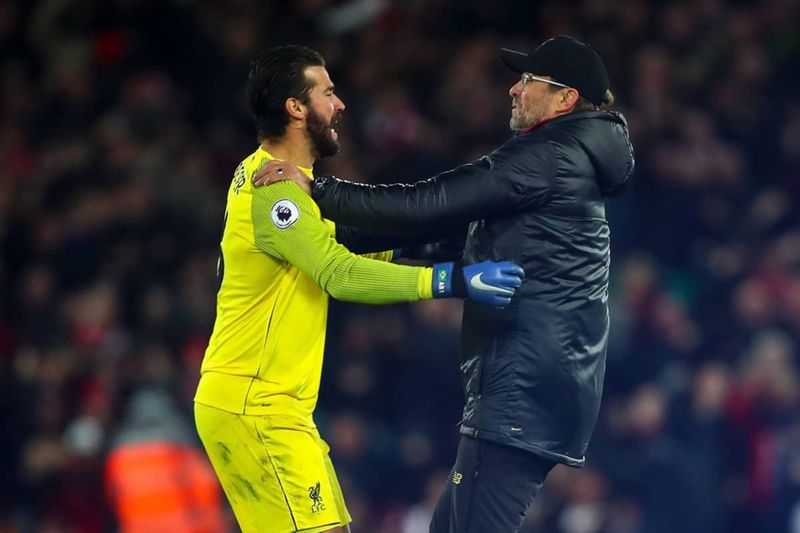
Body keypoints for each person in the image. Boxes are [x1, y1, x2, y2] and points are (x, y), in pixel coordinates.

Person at [253, 36, 635, 533]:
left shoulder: (552, 156)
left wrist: (319, 190)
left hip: (523, 392)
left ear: (565, 99)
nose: (514, 91)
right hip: (538, 389)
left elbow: (432, 202)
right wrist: (335, 232)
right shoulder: (571, 158)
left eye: (528, 82)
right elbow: (459, 239)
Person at [193, 44, 525, 533]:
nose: (341, 104)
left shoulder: (281, 181)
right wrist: (451, 281)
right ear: (295, 107)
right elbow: (338, 272)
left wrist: (454, 246)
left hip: (272, 405)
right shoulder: (274, 191)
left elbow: (352, 253)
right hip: (255, 404)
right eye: (327, 92)